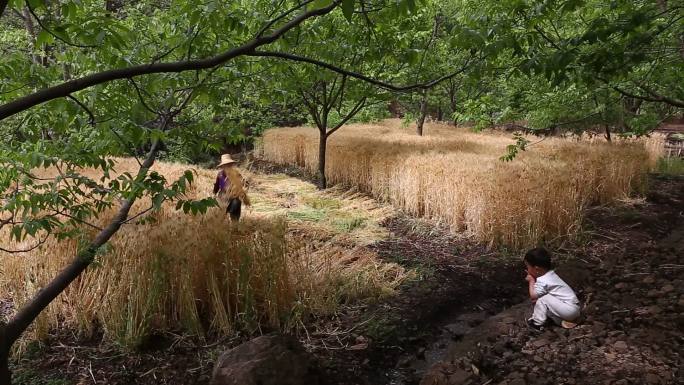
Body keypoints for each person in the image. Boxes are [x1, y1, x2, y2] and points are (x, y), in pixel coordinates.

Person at [524, 247, 580, 330]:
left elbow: (533, 295)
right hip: (572, 309)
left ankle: (536, 323)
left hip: (569, 309)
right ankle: (561, 321)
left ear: (537, 269)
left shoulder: (543, 280)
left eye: (528, 266)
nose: (527, 269)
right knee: (543, 305)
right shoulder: (550, 275)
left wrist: (531, 281)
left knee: (542, 298)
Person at [213, 154, 250, 221]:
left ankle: (234, 224)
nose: (228, 166)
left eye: (229, 164)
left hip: (234, 196)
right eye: (226, 165)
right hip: (223, 196)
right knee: (221, 215)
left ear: (231, 164)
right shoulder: (220, 175)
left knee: (236, 204)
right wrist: (214, 194)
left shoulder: (236, 173)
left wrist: (245, 184)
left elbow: (242, 184)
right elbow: (216, 187)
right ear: (223, 166)